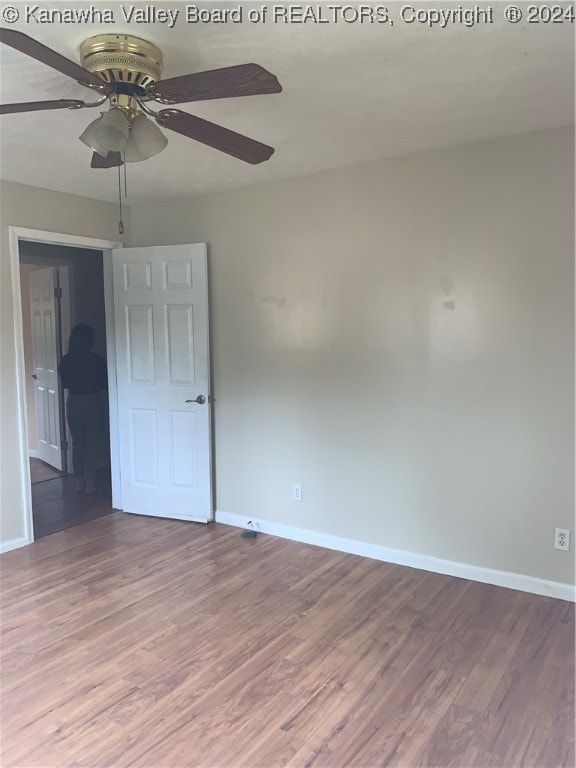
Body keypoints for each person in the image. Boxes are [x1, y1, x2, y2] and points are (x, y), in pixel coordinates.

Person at [58, 324, 108, 495]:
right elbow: (103, 384)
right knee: (92, 444)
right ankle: (91, 483)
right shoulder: (97, 360)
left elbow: (65, 384)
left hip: (74, 401)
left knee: (77, 444)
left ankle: (79, 481)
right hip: (92, 400)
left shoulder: (66, 360)